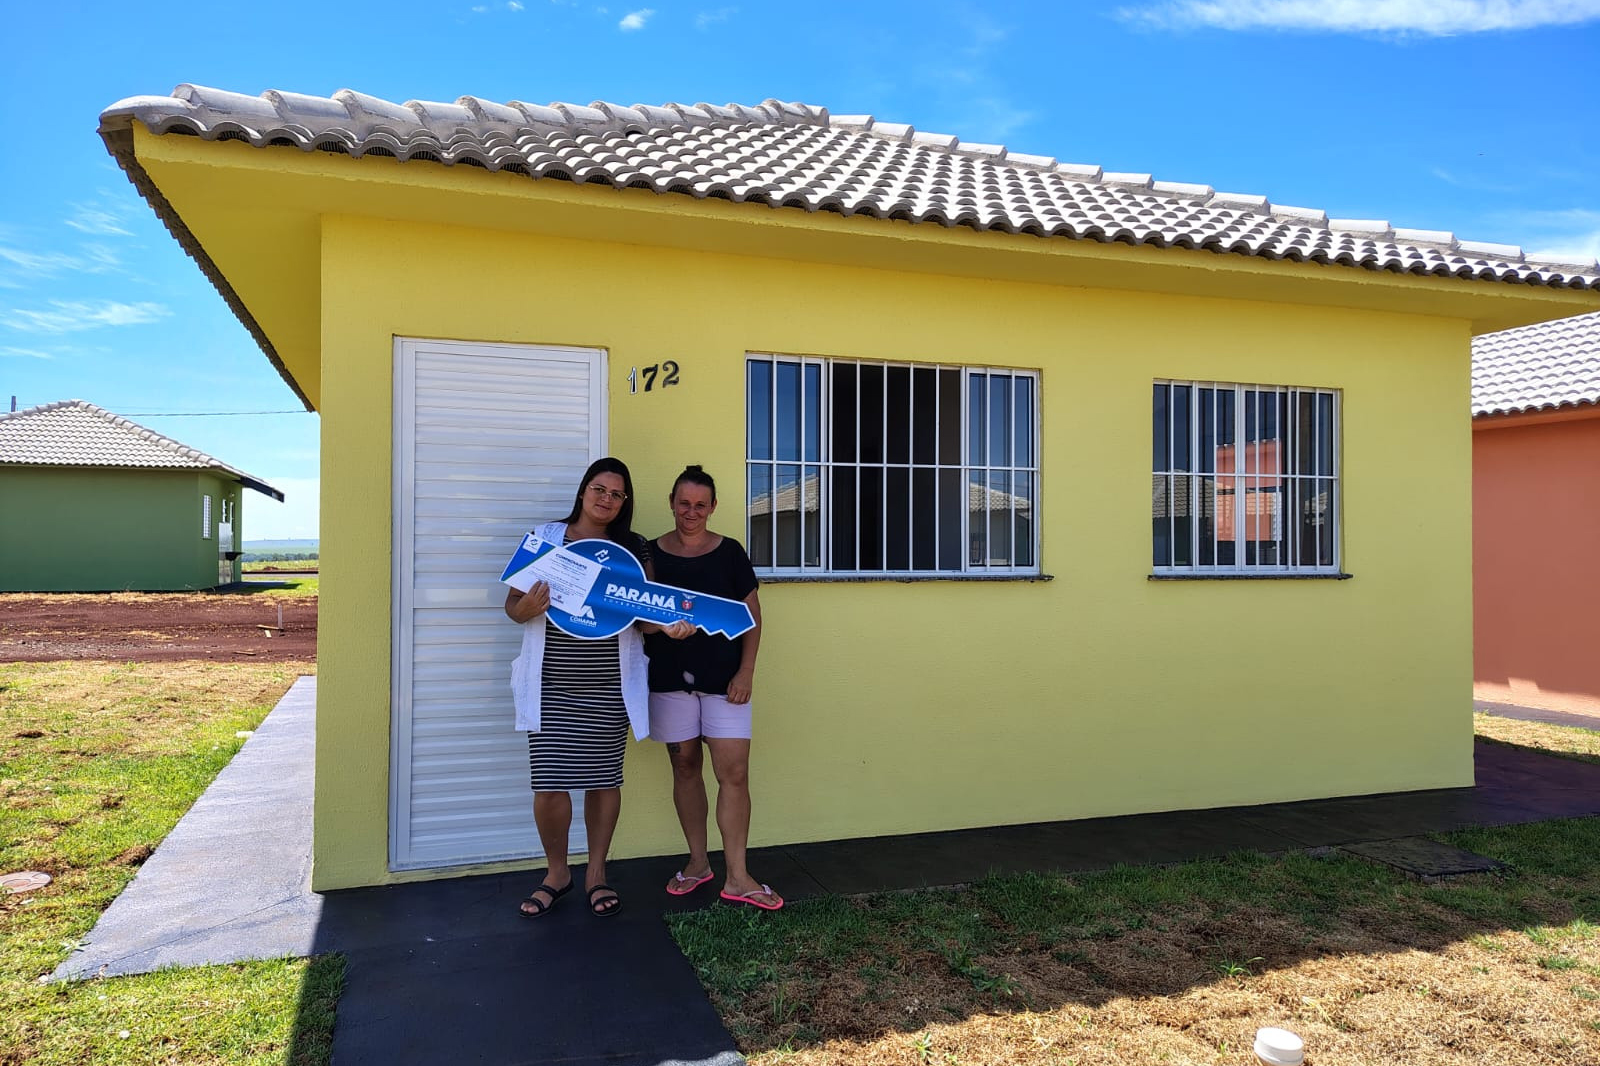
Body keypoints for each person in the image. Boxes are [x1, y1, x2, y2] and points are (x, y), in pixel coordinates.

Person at [505, 457, 691, 919]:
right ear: (584, 490)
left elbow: (644, 618)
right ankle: (557, 874)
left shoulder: (632, 549)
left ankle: (596, 874)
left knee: (603, 781)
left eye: (617, 493)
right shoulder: (545, 538)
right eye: (599, 489)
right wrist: (528, 605)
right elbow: (512, 607)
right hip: (549, 683)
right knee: (549, 784)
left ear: (625, 501)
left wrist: (667, 627)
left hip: (607, 683)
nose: (606, 499)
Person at [645, 465, 781, 910]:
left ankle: (738, 876)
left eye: (700, 505)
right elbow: (636, 620)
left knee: (734, 774)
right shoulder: (649, 554)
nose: (691, 512)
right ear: (671, 501)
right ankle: (699, 863)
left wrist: (747, 673)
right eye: (684, 503)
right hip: (668, 682)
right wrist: (662, 627)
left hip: (727, 684)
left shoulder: (730, 553)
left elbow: (753, 617)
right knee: (684, 769)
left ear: (713, 507)